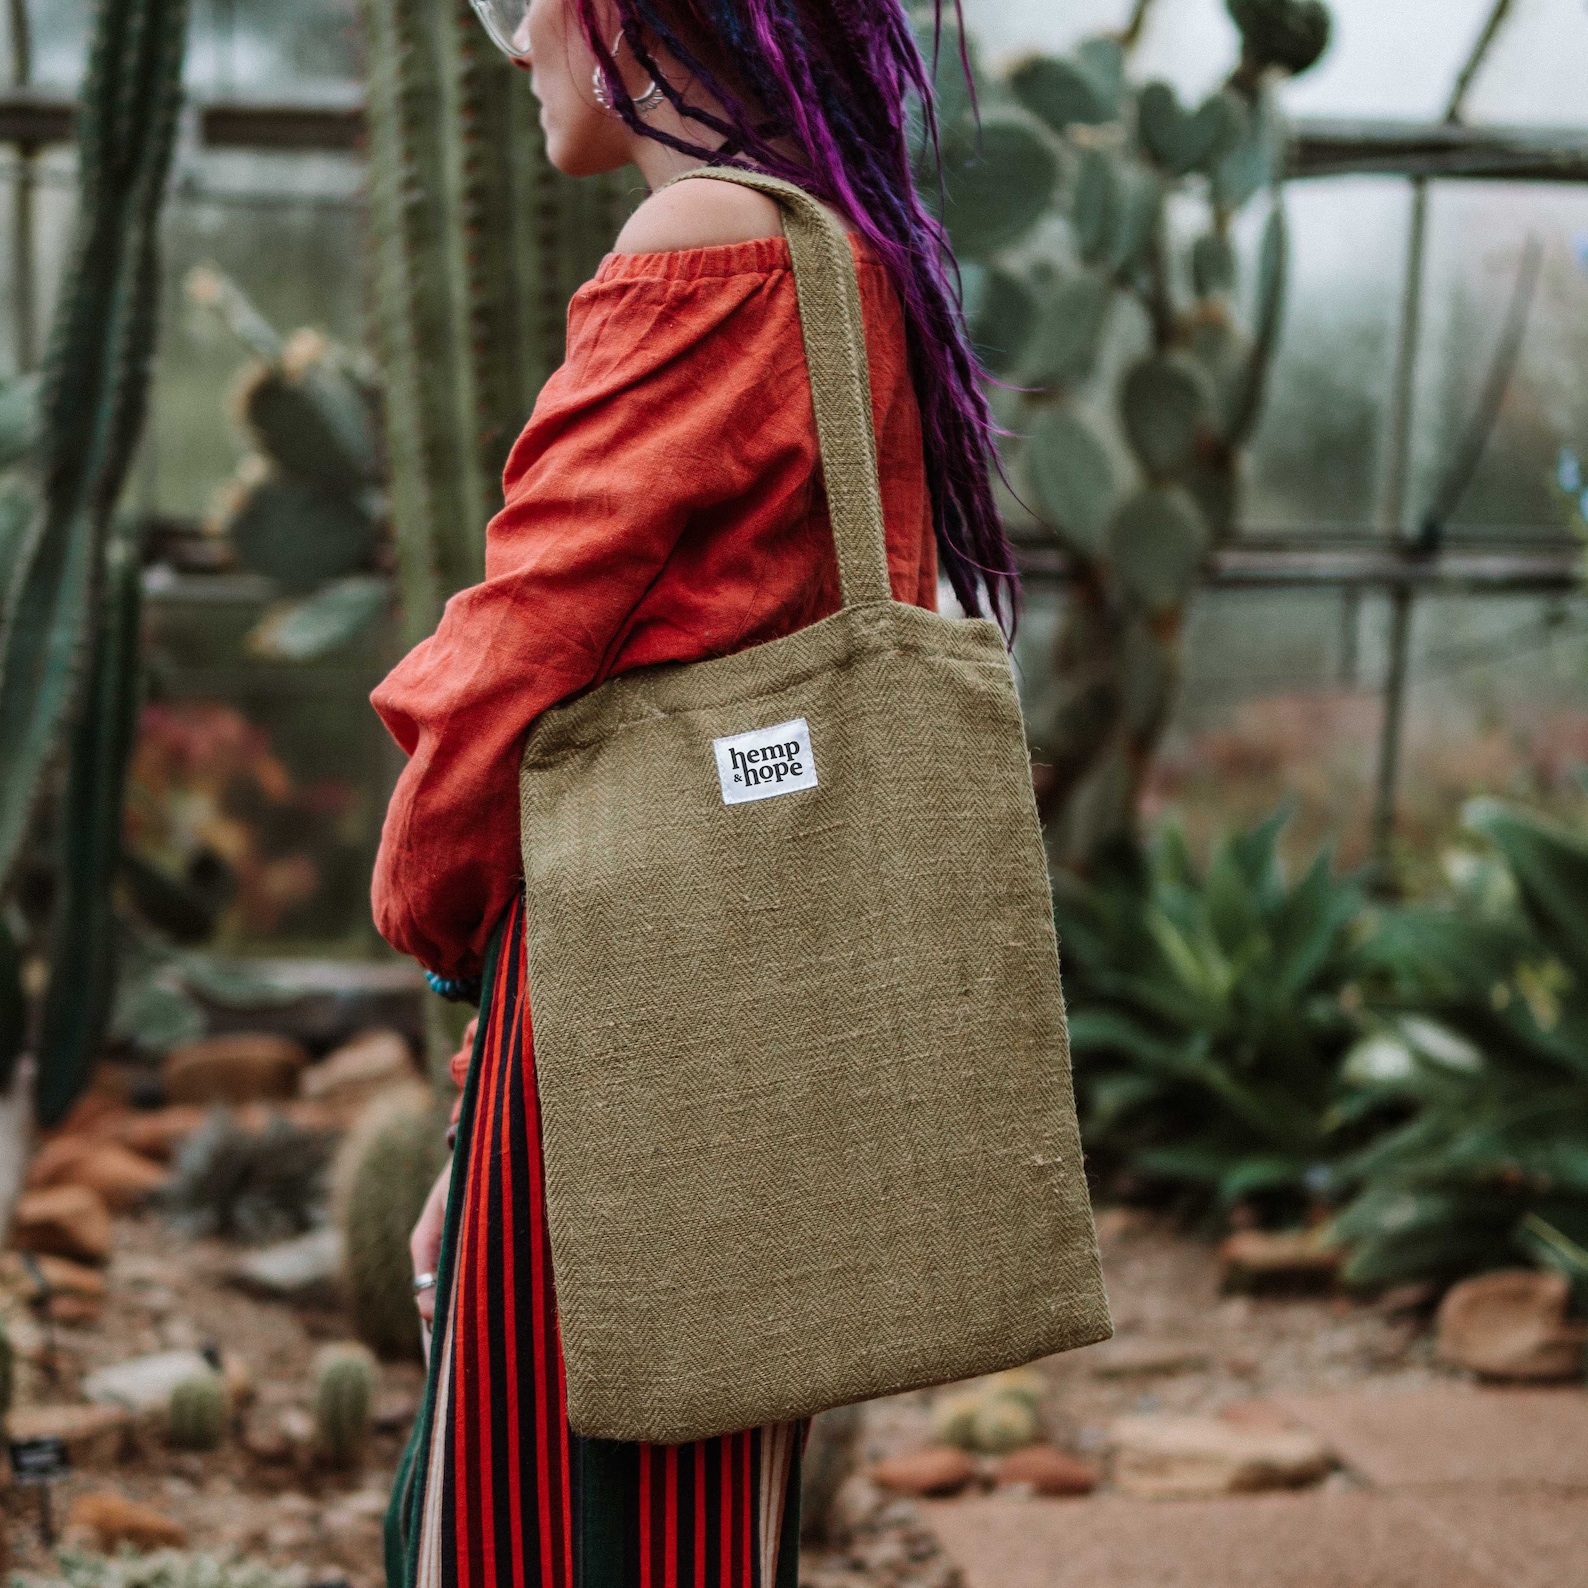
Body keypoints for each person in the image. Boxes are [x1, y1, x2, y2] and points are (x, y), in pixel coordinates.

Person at [373, 1, 1017, 1584]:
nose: (513, 46)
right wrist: (472, 1130)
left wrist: (418, 893)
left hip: (621, 1043)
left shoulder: (705, 244)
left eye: (522, 6)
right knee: (692, 1536)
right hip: (752, 1032)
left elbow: (522, 659)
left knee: (534, 1535)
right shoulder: (841, 257)